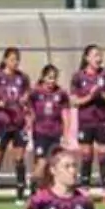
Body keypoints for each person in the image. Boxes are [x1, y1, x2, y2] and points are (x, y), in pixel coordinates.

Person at [0, 47, 33, 203]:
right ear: (5, 60)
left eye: (17, 59)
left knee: (19, 159)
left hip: (19, 125)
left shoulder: (23, 78)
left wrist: (24, 101)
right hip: (2, 124)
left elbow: (27, 96)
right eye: (12, 59)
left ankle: (20, 195)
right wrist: (1, 103)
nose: (15, 62)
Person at [70, 45, 105, 198]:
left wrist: (100, 94)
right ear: (87, 58)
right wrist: (89, 97)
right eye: (95, 55)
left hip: (103, 121)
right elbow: (74, 101)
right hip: (86, 121)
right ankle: (84, 189)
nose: (99, 58)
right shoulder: (78, 76)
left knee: (103, 154)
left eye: (100, 55)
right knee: (86, 154)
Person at [27, 64, 71, 195]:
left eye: (54, 78)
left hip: (55, 134)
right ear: (43, 77)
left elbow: (65, 115)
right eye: (49, 78)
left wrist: (65, 135)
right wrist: (28, 124)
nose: (52, 81)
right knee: (41, 162)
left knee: (53, 165)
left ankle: (46, 192)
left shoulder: (61, 94)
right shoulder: (35, 93)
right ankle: (33, 190)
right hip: (40, 133)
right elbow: (29, 111)